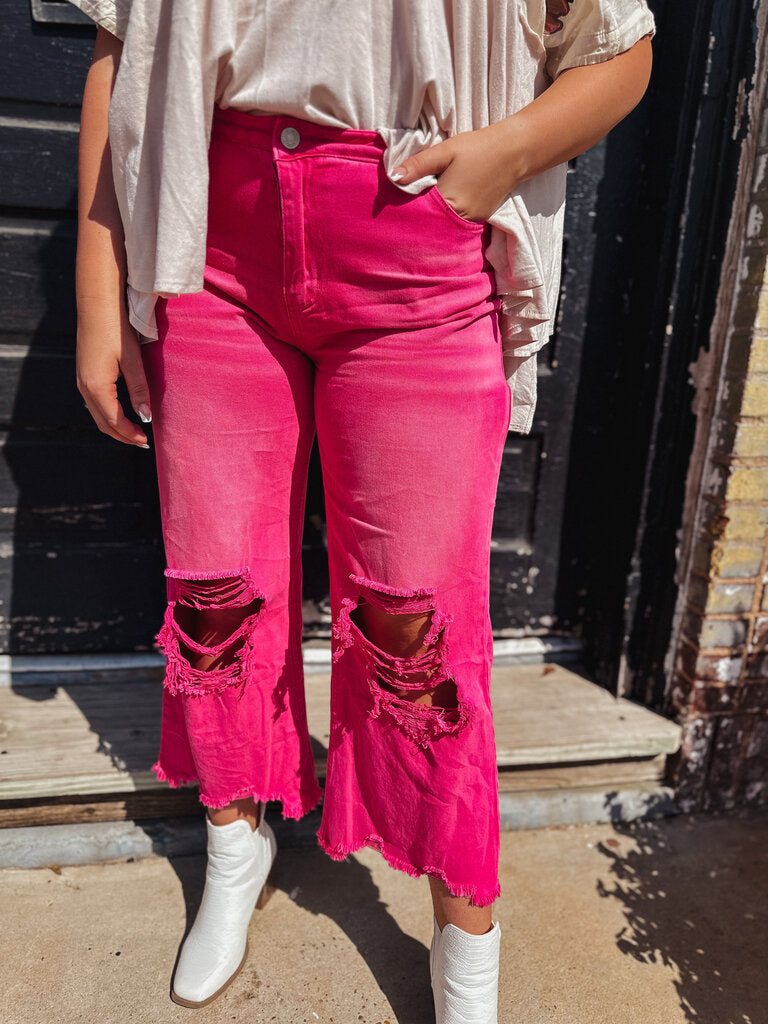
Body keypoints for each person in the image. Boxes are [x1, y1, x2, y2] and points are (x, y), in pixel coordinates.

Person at [71, 1, 654, 1019]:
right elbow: (122, 46)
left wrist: (507, 153)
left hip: (413, 248)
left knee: (418, 637)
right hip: (211, 242)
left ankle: (464, 931)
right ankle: (235, 839)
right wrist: (95, 283)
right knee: (217, 599)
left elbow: (622, 52)